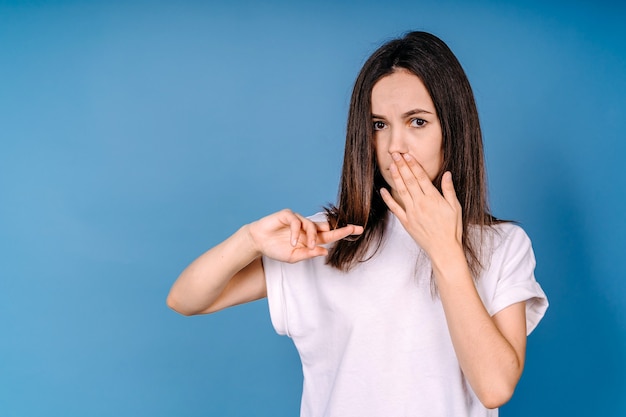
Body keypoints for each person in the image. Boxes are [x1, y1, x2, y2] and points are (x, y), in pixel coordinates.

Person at [167, 31, 548, 416]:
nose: (395, 145)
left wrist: (445, 251)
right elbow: (185, 299)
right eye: (379, 125)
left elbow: (495, 387)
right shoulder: (330, 240)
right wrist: (249, 239)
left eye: (417, 121)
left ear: (452, 130)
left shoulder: (502, 245)